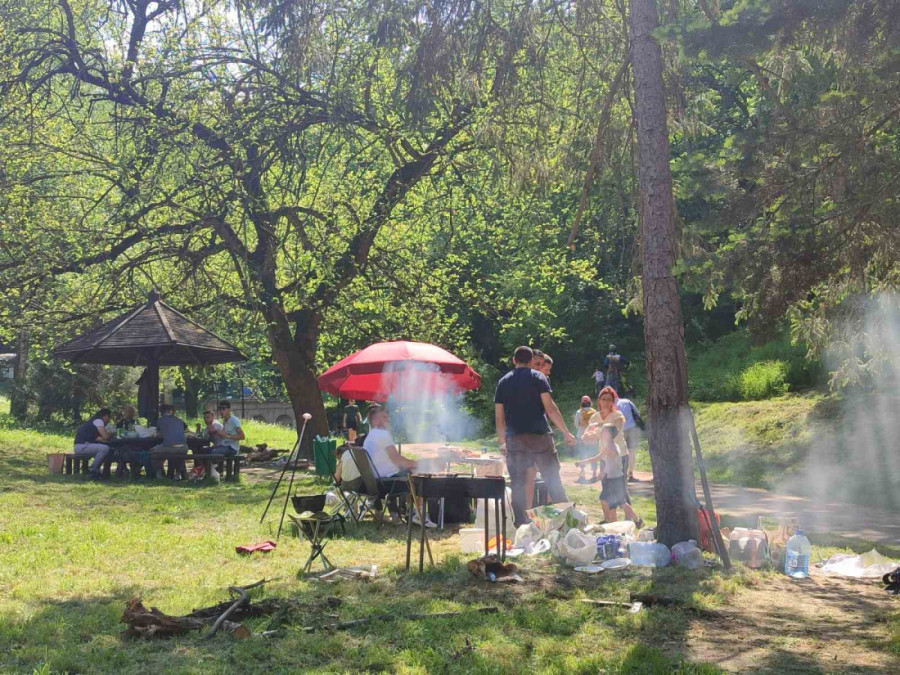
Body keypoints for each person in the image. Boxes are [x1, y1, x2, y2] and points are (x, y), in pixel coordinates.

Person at [495, 345, 575, 527]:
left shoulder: (503, 382)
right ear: (531, 361)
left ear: (514, 360)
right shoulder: (538, 377)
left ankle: (521, 525)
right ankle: (567, 522)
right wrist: (565, 432)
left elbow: (499, 417)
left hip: (515, 440)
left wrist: (502, 442)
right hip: (540, 438)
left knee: (518, 483)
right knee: (552, 479)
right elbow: (550, 408)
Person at [362, 404, 435, 527]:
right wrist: (419, 463)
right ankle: (418, 515)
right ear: (375, 421)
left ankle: (411, 512)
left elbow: (392, 460)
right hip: (387, 483)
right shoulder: (383, 435)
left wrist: (410, 465)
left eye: (387, 416)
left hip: (375, 481)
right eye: (384, 417)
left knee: (410, 470)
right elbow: (397, 460)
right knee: (419, 476)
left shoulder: (371, 435)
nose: (388, 419)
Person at [576, 424, 644, 527]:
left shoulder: (611, 447)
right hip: (614, 478)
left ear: (608, 434)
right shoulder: (610, 445)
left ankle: (634, 521)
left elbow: (604, 461)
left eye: (603, 431)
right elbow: (600, 458)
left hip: (615, 479)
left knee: (617, 502)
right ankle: (615, 523)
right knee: (611, 502)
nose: (601, 432)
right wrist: (582, 462)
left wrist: (603, 472)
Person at [584, 386, 630, 488]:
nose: (606, 402)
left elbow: (615, 431)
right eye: (603, 399)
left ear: (613, 402)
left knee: (621, 488)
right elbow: (588, 435)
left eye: (609, 399)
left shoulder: (618, 415)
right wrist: (588, 437)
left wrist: (597, 427)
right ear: (599, 401)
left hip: (620, 455)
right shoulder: (594, 417)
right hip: (604, 456)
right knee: (606, 487)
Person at [149, 404, 188, 479]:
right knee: (178, 455)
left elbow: (159, 434)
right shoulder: (179, 420)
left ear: (162, 412)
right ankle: (177, 474)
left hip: (169, 447)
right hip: (184, 447)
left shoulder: (161, 420)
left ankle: (159, 473)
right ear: (171, 411)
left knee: (152, 452)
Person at [73, 408, 113, 479]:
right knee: (105, 448)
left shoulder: (93, 423)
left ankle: (97, 471)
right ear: (105, 416)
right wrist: (112, 433)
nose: (108, 420)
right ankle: (93, 470)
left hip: (81, 446)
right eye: (108, 417)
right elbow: (105, 436)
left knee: (104, 450)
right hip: (82, 446)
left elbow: (99, 438)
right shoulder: (99, 421)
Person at [189, 409, 225, 481]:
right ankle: (203, 472)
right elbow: (200, 436)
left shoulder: (216, 424)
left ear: (213, 417)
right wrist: (198, 429)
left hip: (222, 447)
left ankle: (202, 472)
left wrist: (205, 431)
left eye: (208, 417)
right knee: (199, 451)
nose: (205, 419)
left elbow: (210, 431)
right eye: (204, 418)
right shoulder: (208, 426)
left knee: (200, 452)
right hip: (216, 447)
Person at [616, 396, 645, 482]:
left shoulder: (612, 404)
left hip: (620, 429)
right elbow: (637, 412)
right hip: (632, 427)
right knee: (631, 451)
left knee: (620, 451)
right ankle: (631, 474)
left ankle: (621, 473)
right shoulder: (627, 401)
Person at [574, 396, 599, 482]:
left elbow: (576, 424)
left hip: (581, 436)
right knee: (593, 454)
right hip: (592, 436)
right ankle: (594, 473)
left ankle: (582, 472)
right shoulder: (594, 411)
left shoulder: (579, 412)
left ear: (582, 403)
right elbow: (597, 424)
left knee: (582, 453)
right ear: (590, 402)